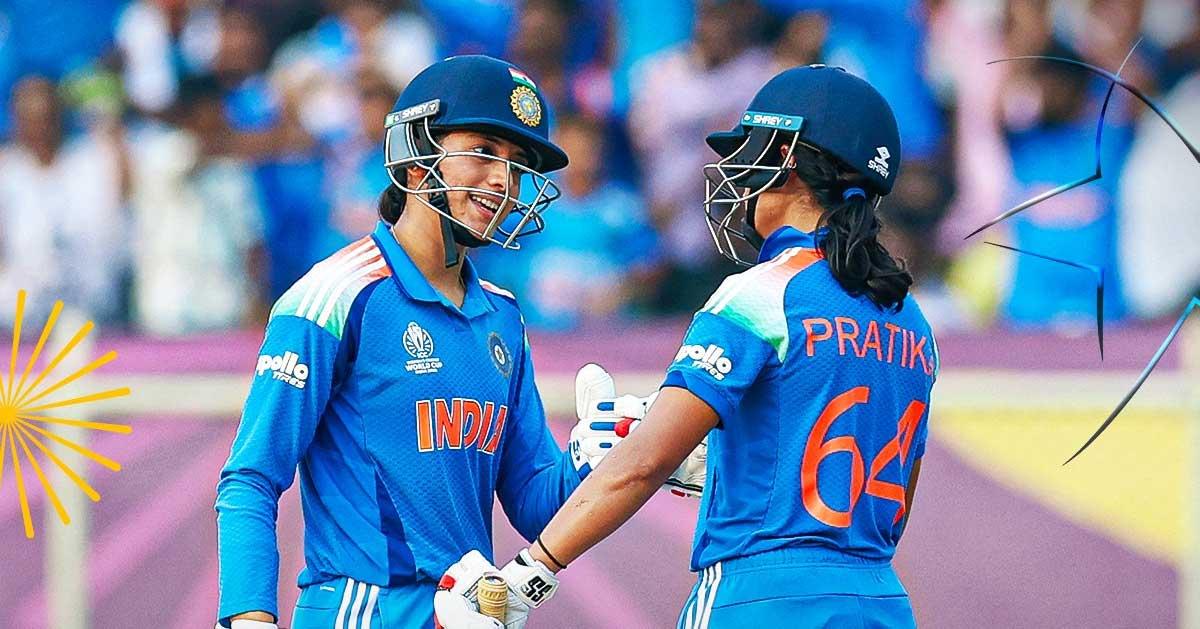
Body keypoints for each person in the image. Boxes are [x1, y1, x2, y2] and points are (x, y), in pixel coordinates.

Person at [437, 65, 939, 628]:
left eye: (752, 149)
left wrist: (529, 574)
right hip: (879, 600)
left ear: (788, 159)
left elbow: (644, 463)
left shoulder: (761, 292)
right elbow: (889, 506)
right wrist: (730, 464)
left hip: (759, 600)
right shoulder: (912, 321)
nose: (740, 172)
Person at [214, 55, 635, 629]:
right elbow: (251, 478)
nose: (504, 182)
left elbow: (534, 503)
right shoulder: (336, 294)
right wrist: (249, 619)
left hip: (467, 614)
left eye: (517, 166)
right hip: (362, 611)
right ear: (415, 161)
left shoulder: (504, 317)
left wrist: (589, 458)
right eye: (484, 151)